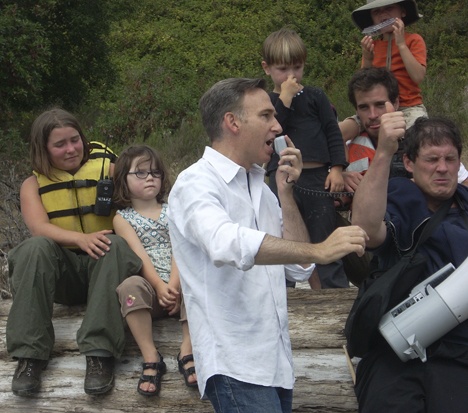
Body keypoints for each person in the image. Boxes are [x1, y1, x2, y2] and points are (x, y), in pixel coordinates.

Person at [167, 77, 368, 413]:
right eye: (266, 116)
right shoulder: (195, 182)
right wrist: (319, 249)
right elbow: (224, 243)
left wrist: (286, 194)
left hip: (274, 362)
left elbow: (299, 269)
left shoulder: (261, 187)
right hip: (236, 362)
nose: (277, 126)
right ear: (232, 122)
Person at [6, 108, 143, 396]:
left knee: (115, 243)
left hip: (109, 270)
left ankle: (100, 354)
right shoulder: (32, 184)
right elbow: (38, 227)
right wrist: (80, 239)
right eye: (60, 144)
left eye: (75, 140)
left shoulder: (111, 167)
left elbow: (147, 199)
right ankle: (30, 357)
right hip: (65, 275)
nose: (70, 149)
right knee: (33, 248)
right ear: (44, 149)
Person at [351, 110, 468, 412]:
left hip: (457, 357)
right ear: (409, 163)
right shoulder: (399, 199)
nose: (442, 168)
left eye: (450, 159)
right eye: (431, 159)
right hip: (395, 355)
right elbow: (365, 229)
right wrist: (383, 152)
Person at [261, 27, 349, 289]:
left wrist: (337, 169)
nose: (291, 76)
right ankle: (283, 300)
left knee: (324, 241)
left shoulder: (316, 96)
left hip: (316, 179)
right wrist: (283, 100)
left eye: (297, 68)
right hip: (281, 179)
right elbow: (270, 129)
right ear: (267, 68)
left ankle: (335, 301)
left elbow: (333, 133)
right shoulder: (266, 101)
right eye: (282, 69)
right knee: (282, 243)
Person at [112, 144, 197, 396]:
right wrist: (159, 287)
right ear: (123, 181)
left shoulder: (174, 210)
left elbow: (180, 248)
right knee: (128, 286)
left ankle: (188, 349)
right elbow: (138, 255)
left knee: (200, 281)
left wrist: (173, 285)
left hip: (180, 286)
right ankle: (151, 357)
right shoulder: (122, 218)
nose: (150, 177)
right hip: (149, 292)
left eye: (155, 172)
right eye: (140, 172)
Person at [341, 0, 427, 141]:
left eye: (389, 8)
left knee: (422, 137)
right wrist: (367, 59)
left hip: (408, 107)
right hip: (375, 108)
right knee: (342, 130)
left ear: (403, 12)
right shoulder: (373, 45)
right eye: (377, 12)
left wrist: (401, 44)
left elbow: (418, 76)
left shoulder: (414, 40)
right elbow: (363, 85)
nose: (383, 15)